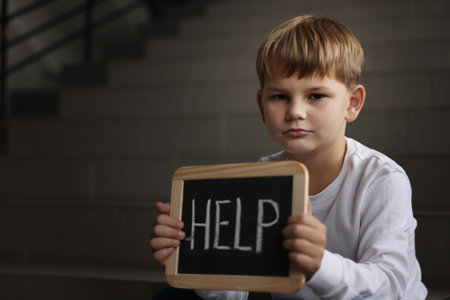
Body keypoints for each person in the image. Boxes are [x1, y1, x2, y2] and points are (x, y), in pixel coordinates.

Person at [150, 15, 428, 299]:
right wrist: (197, 255)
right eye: (280, 97)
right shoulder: (262, 177)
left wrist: (320, 265)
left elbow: (390, 285)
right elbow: (235, 293)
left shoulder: (380, 179)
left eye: (316, 96)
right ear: (261, 105)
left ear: (352, 103)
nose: (295, 111)